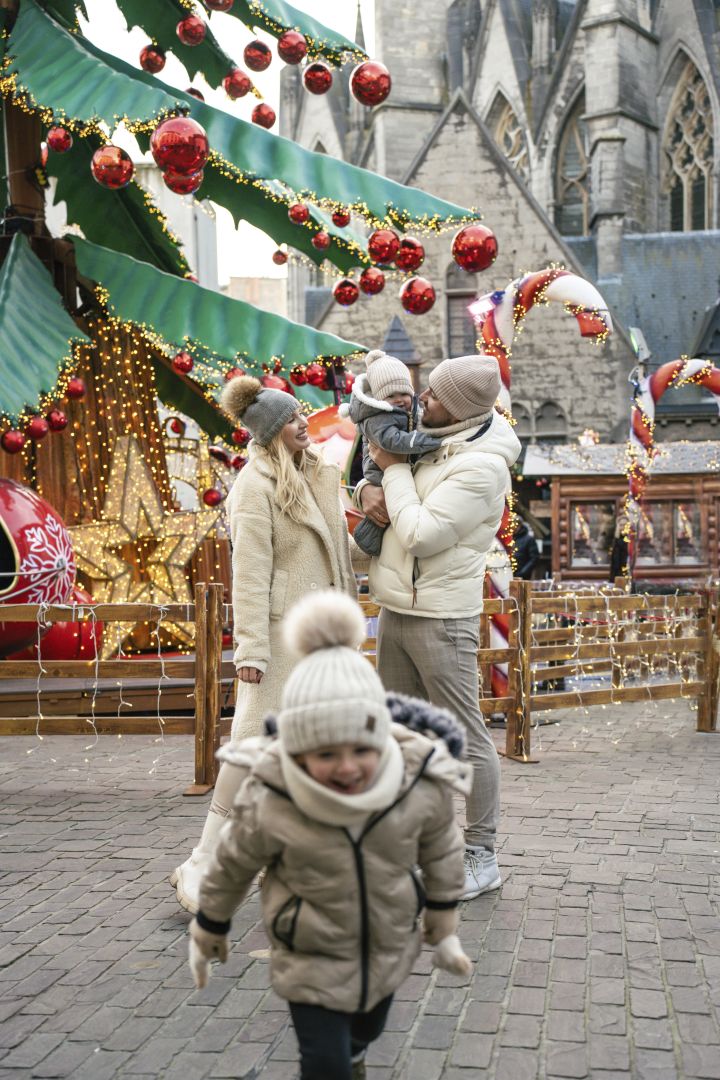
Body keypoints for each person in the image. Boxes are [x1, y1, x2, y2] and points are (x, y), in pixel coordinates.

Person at [188, 590, 473, 1080]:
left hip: (385, 945)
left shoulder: (415, 784)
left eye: (360, 749)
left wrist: (442, 918)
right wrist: (210, 925)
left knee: (367, 1026)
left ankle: (358, 1047)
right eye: (325, 754)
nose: (345, 767)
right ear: (297, 750)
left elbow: (443, 847)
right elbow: (233, 862)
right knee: (324, 1062)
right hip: (307, 953)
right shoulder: (273, 796)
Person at [171, 376, 360, 914]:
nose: (304, 423)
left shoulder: (318, 475)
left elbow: (339, 549)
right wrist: (249, 649)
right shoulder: (253, 487)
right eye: (292, 419)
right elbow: (249, 574)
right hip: (279, 639)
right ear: (272, 431)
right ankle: (203, 861)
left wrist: (375, 534)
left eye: (302, 414)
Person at [355, 353, 521, 900]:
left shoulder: (482, 465)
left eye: (432, 394)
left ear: (460, 406)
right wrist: (368, 488)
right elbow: (380, 492)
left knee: (466, 738)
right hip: (398, 607)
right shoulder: (436, 437)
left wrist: (393, 470)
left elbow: (422, 533)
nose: (419, 399)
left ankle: (481, 854)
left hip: (442, 618)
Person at [339, 349, 442, 555]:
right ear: (377, 397)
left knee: (387, 518)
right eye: (390, 395)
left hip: (396, 477)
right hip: (379, 474)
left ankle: (370, 538)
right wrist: (428, 441)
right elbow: (392, 441)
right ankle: (369, 539)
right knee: (383, 516)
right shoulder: (378, 418)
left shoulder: (407, 413)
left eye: (404, 393)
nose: (399, 400)